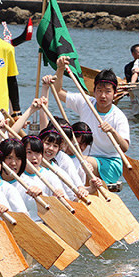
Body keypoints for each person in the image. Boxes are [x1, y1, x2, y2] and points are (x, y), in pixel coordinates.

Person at [44, 57, 130, 185]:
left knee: (79, 161)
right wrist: (60, 69)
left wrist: (112, 131)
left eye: (108, 92)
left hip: (110, 163)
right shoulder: (86, 102)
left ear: (115, 93)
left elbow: (125, 147)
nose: (103, 96)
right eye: (99, 91)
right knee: (58, 156)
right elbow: (57, 92)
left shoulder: (118, 116)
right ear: (94, 91)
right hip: (83, 156)